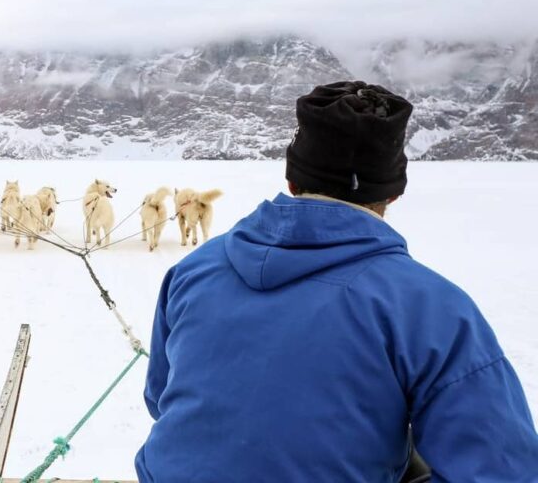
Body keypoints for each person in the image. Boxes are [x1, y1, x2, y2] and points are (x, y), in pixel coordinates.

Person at [135, 81, 538, 482]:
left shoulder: (194, 269)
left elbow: (160, 398)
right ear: (393, 194)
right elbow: (502, 471)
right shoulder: (430, 307)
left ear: (291, 180)